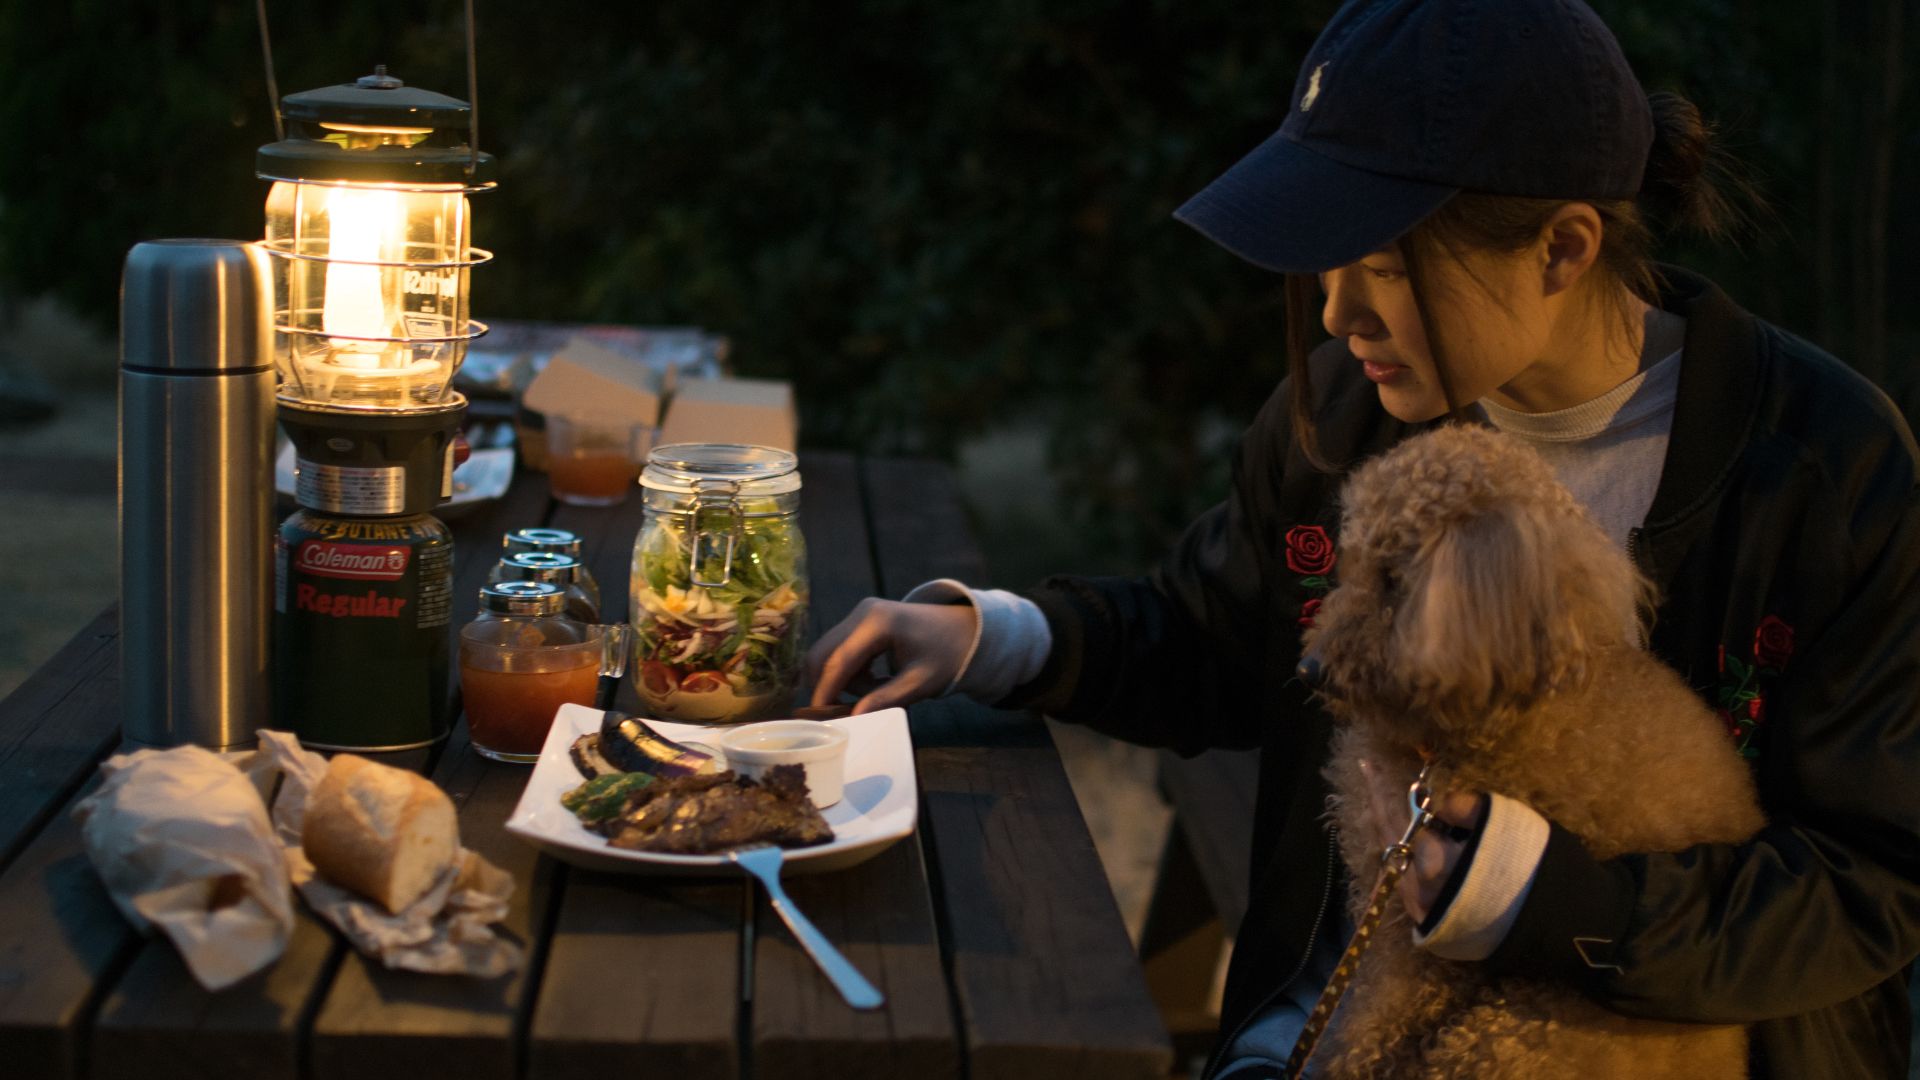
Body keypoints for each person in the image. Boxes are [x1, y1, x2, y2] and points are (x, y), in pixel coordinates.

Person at [805, 1, 1920, 1076]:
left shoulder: (1824, 472)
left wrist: (1549, 900)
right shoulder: (1344, 418)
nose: (1338, 318)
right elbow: (1219, 634)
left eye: (1385, 266)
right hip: (1342, 1023)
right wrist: (990, 637)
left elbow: (1870, 886)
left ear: (1564, 247)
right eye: (1325, 265)